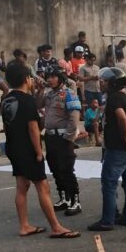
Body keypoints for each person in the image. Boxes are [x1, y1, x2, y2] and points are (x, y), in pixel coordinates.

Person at [0, 61, 79, 238]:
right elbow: (33, 129)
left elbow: (6, 126)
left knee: (22, 186)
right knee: (42, 187)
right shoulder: (27, 100)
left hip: (13, 147)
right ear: (26, 79)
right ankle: (56, 227)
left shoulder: (5, 99)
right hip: (28, 149)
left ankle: (24, 225)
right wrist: (38, 151)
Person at [87, 67, 126, 232]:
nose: (101, 83)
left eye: (104, 81)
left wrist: (124, 136)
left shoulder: (114, 99)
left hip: (118, 149)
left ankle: (107, 221)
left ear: (112, 83)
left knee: (109, 184)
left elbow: (122, 117)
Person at [42, 65, 84, 216]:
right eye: (48, 77)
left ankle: (75, 201)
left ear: (60, 78)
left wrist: (69, 138)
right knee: (55, 168)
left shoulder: (69, 94)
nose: (50, 79)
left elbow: (74, 117)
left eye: (53, 76)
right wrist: (40, 89)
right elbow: (37, 105)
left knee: (66, 169)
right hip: (50, 136)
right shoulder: (48, 95)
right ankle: (64, 198)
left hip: (62, 136)